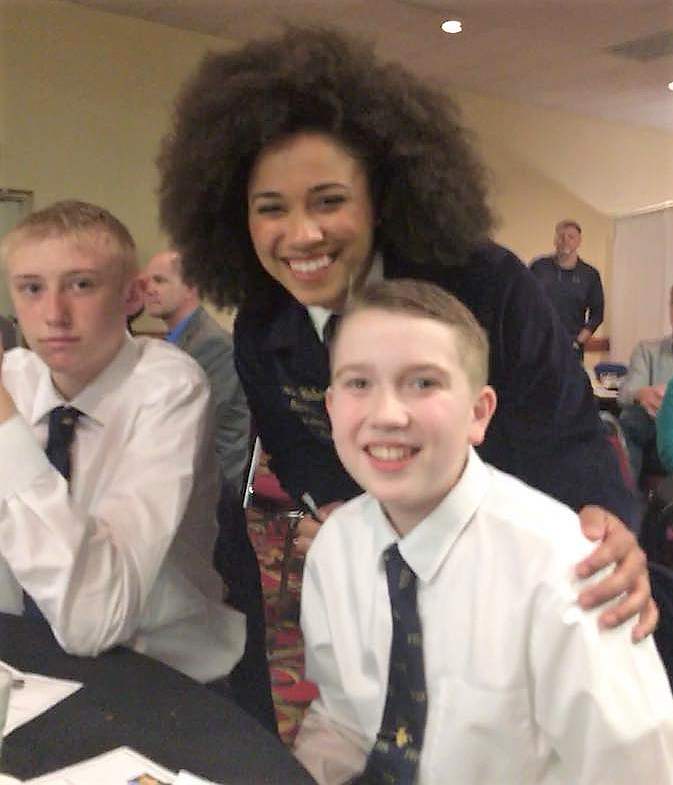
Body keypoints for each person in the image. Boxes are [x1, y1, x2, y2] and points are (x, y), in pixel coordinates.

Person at [157, 26, 655, 637]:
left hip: (525, 575)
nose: (302, 234)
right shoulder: (264, 329)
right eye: (271, 208)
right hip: (389, 585)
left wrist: (602, 519)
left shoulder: (487, 284)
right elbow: (301, 452)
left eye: (328, 201)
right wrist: (344, 515)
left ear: (381, 199)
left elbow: (566, 429)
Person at [293, 279, 673, 785]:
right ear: (332, 408)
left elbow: (636, 773)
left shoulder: (573, 572)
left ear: (478, 413)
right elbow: (342, 721)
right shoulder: (334, 547)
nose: (385, 414)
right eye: (358, 383)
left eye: (422, 382)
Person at [0, 200, 245, 686]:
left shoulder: (166, 386)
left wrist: (6, 430)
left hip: (155, 669)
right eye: (31, 289)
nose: (53, 314)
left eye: (81, 285)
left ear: (132, 296)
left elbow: (95, 621)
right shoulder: (17, 379)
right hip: (23, 661)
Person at [144, 249, 250, 492]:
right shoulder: (171, 341)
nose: (149, 289)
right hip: (178, 469)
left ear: (191, 287)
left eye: (159, 280)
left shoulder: (213, 344)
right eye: (147, 281)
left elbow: (192, 424)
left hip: (210, 485)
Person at [618, 287, 673, 485]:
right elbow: (626, 392)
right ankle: (625, 501)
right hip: (654, 438)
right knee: (632, 417)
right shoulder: (648, 351)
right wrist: (641, 394)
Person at [530, 219, 604, 358]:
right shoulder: (539, 267)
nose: (565, 241)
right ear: (555, 240)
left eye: (571, 237)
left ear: (578, 241)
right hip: (540, 346)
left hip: (571, 350)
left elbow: (597, 315)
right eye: (561, 236)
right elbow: (525, 301)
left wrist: (578, 341)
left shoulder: (590, 274)